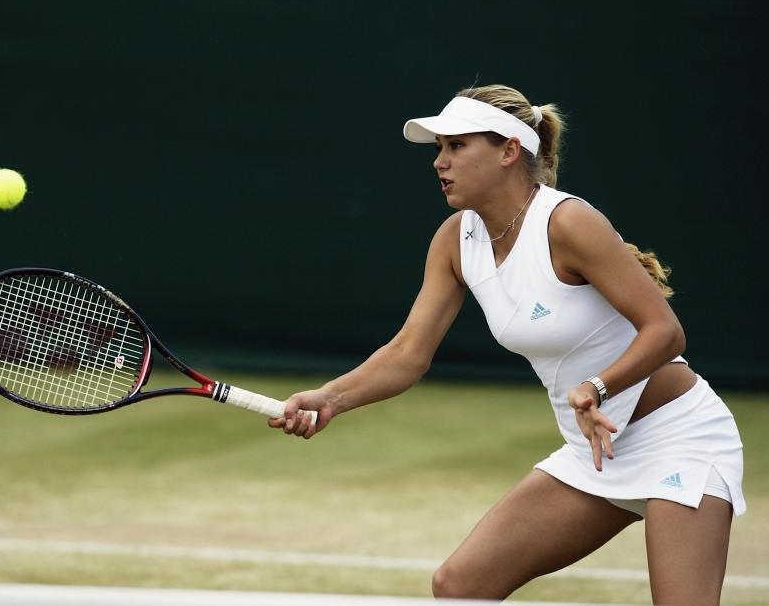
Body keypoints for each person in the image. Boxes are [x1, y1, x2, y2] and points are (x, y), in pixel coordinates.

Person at [268, 84, 746, 605]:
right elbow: (408, 354)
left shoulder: (568, 222)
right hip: (595, 451)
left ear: (508, 151)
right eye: (438, 149)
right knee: (461, 585)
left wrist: (598, 386)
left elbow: (666, 331)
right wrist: (331, 397)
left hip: (680, 439)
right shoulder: (456, 239)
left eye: (456, 146)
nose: (440, 163)